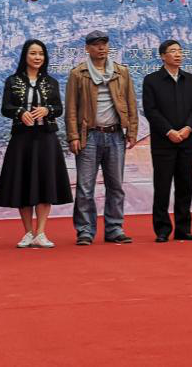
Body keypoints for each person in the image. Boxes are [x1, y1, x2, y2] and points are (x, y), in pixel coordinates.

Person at [0, 39, 73, 249]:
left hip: (46, 138)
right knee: (24, 183)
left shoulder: (51, 82)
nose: (37, 57)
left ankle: (41, 232)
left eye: (41, 54)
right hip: (22, 139)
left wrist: (47, 110)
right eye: (33, 53)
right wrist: (20, 112)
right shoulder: (12, 81)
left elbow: (58, 109)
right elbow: (5, 108)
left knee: (45, 182)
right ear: (25, 56)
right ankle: (28, 232)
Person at [66, 30, 139, 246]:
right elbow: (71, 108)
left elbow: (131, 103)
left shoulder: (121, 72)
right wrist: (73, 136)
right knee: (85, 187)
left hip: (115, 135)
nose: (101, 48)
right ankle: (85, 230)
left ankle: (115, 228)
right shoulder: (78, 74)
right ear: (87, 48)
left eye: (104, 44)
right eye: (96, 45)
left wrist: (132, 131)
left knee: (115, 185)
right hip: (88, 136)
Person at [142, 39, 192, 242]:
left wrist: (187, 128)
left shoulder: (191, 80)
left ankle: (183, 229)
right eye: (172, 51)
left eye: (180, 51)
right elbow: (151, 110)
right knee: (162, 187)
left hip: (186, 141)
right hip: (163, 143)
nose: (178, 55)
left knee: (185, 186)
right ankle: (162, 229)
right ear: (162, 56)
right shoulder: (152, 80)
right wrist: (169, 131)